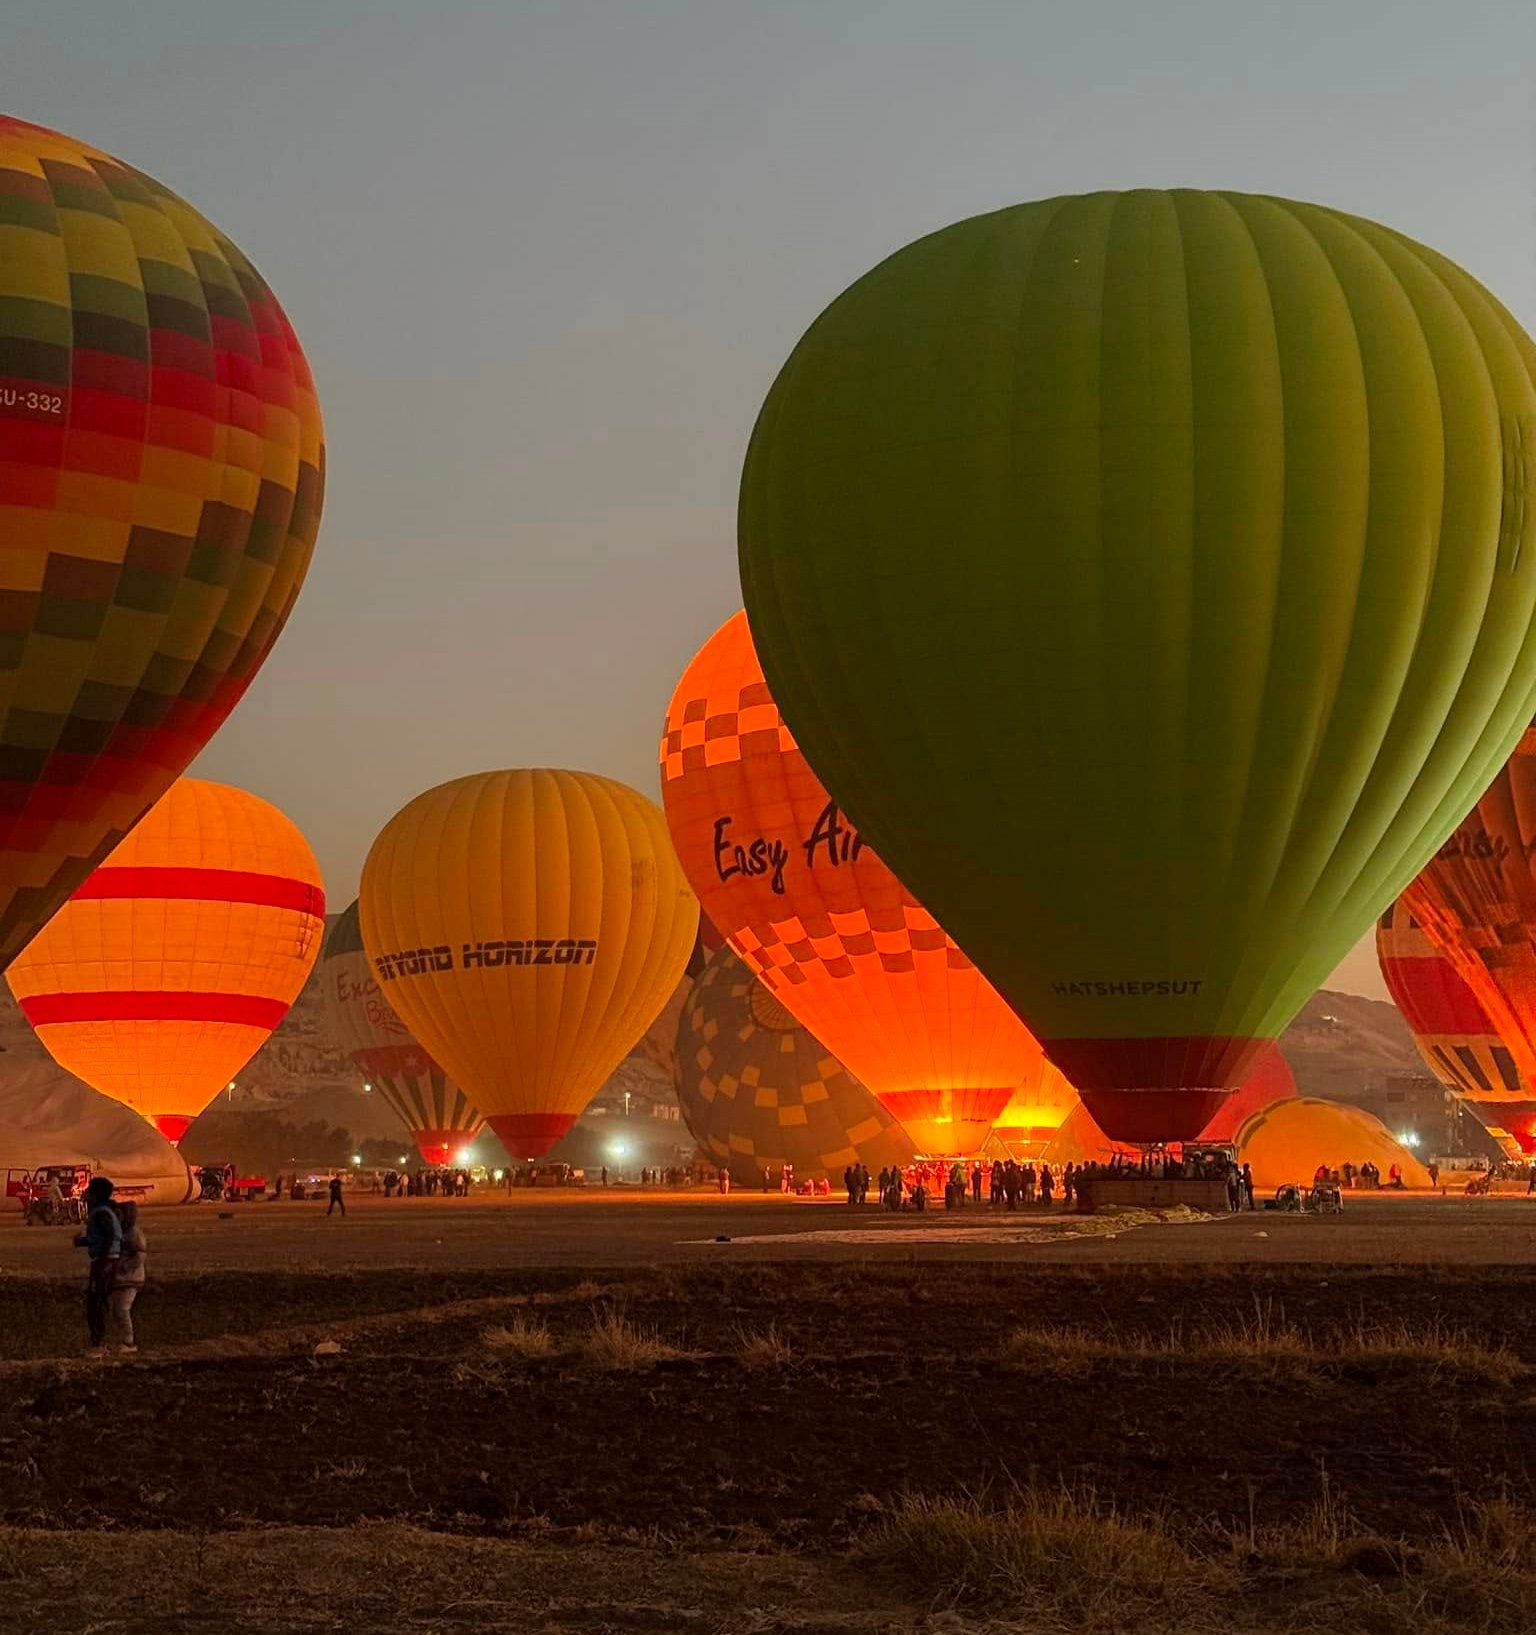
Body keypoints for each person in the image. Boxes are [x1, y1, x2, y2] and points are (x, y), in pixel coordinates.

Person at [74, 1176, 120, 1357]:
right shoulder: (106, 1211)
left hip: (104, 1262)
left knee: (96, 1303)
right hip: (108, 1259)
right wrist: (84, 1242)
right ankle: (99, 1341)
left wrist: (101, 1259)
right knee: (98, 1301)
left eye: (89, 1190)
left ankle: (98, 1344)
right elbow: (104, 1236)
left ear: (94, 1194)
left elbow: (108, 1236)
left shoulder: (100, 1212)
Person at [110, 1201, 147, 1352]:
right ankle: (123, 1340)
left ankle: (129, 1342)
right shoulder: (121, 1232)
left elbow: (139, 1255)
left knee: (122, 1309)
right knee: (117, 1310)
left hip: (131, 1278)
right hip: (122, 1278)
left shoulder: (133, 1233)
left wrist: (124, 1267)